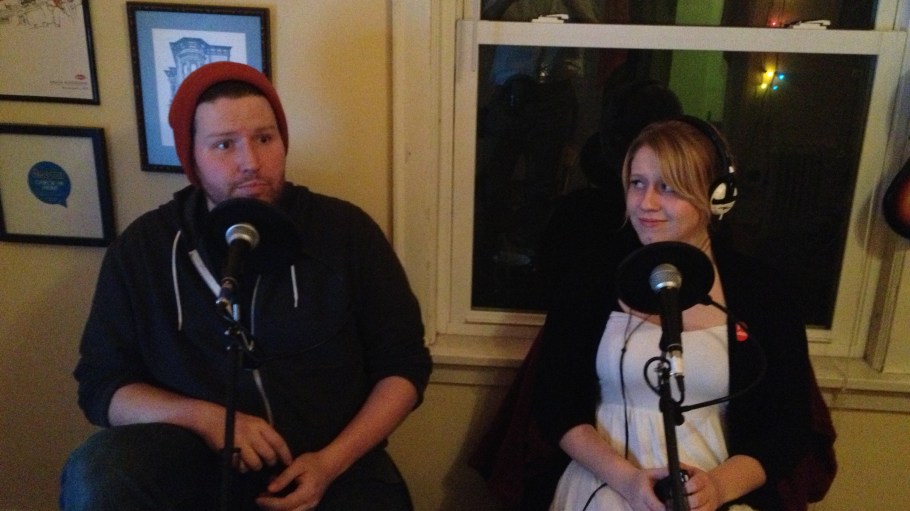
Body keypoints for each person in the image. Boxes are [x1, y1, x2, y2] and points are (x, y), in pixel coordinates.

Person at [60, 61, 432, 511]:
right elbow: (102, 385)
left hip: (333, 463)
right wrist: (208, 420)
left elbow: (404, 365)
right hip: (194, 461)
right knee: (97, 472)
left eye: (264, 139)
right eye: (224, 144)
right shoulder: (143, 250)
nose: (250, 162)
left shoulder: (346, 232)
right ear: (192, 158)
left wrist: (331, 463)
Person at [531, 118, 834, 510]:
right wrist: (628, 481)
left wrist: (718, 488)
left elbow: (788, 426)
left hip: (719, 490)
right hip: (605, 482)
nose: (646, 203)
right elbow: (554, 403)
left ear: (716, 196)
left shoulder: (764, 293)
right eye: (637, 183)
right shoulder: (590, 281)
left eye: (668, 187)